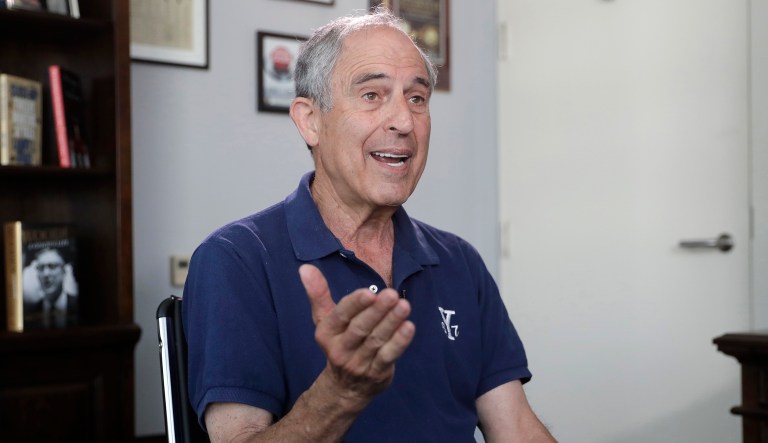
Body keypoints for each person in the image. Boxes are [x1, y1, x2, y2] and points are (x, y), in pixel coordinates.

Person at [182, 7, 556, 442]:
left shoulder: (459, 263)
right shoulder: (236, 260)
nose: (403, 122)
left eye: (416, 99)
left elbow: (515, 428)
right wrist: (339, 393)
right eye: (372, 95)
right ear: (310, 121)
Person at [23, 246, 78, 328]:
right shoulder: (29, 313)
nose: (46, 274)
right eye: (41, 268)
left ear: (64, 272)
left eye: (52, 266)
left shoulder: (77, 305)